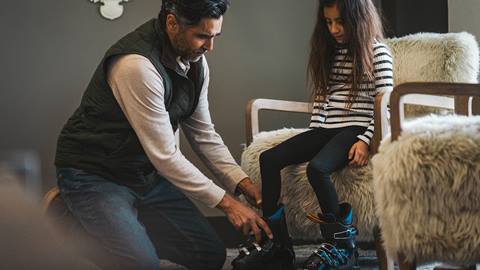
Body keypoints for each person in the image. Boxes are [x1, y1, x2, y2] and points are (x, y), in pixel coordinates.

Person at [54, 0, 272, 269]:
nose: (209, 47)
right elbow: (166, 157)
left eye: (214, 36)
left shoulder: (196, 63)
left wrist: (244, 185)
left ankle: (126, 229)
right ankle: (66, 219)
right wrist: (228, 204)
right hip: (93, 174)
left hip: (142, 175)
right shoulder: (136, 65)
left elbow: (203, 134)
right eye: (202, 36)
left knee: (209, 255)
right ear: (172, 23)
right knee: (142, 265)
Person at [231, 0, 393, 269]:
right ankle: (279, 246)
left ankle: (343, 245)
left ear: (359, 20)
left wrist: (365, 140)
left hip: (355, 129)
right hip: (325, 129)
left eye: (340, 22)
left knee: (317, 169)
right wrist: (314, 132)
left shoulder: (378, 53)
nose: (334, 29)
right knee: (269, 158)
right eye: (328, 22)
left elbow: (383, 105)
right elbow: (322, 98)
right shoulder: (330, 52)